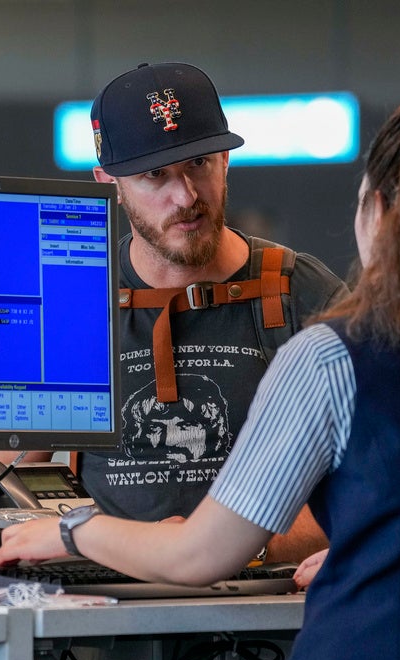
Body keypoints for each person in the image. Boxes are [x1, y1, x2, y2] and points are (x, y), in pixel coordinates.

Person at [0, 93, 400, 660]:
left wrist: (72, 529)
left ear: (380, 211)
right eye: (155, 175)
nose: (183, 194)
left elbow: (199, 556)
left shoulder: (331, 355)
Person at [79, 62, 347, 562]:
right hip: (101, 623)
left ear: (225, 160)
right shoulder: (76, 299)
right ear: (108, 181)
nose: (186, 196)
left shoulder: (300, 294)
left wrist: (240, 550)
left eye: (199, 164)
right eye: (155, 174)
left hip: (265, 618)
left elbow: (373, 470)